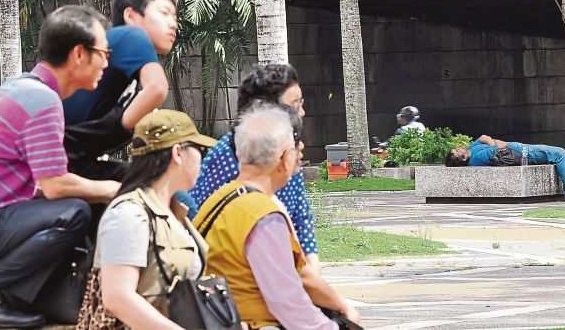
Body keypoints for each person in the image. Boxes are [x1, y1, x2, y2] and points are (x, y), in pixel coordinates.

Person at [0, 5, 121, 328]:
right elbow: (55, 186)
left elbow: (33, 188)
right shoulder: (43, 101)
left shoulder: (22, 88)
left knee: (55, 206)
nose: (107, 61)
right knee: (73, 211)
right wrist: (113, 189)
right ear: (78, 54)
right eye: (104, 52)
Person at [194, 103, 359, 330]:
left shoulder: (222, 198)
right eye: (294, 149)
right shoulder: (262, 216)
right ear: (285, 157)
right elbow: (287, 302)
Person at [78, 110, 216, 329]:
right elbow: (117, 298)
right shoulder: (129, 215)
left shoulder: (175, 212)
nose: (203, 157)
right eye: (199, 149)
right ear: (178, 153)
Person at [189, 64, 320, 269]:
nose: (302, 112)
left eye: (301, 102)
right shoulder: (228, 154)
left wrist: (311, 265)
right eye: (295, 104)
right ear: (266, 109)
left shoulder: (288, 148)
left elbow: (300, 216)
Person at [62, 0, 177, 181]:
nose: (173, 23)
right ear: (131, 16)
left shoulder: (126, 61)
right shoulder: (131, 35)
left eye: (174, 16)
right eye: (164, 13)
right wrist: (119, 127)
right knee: (165, 184)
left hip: (74, 161)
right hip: (62, 161)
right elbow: (158, 88)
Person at [445, 134, 565, 201]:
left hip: (522, 149)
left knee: (558, 156)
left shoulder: (471, 150)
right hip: (525, 154)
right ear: (463, 158)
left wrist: (488, 141)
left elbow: (482, 138)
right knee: (559, 153)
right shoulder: (477, 158)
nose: (459, 147)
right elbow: (496, 146)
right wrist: (490, 141)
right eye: (458, 150)